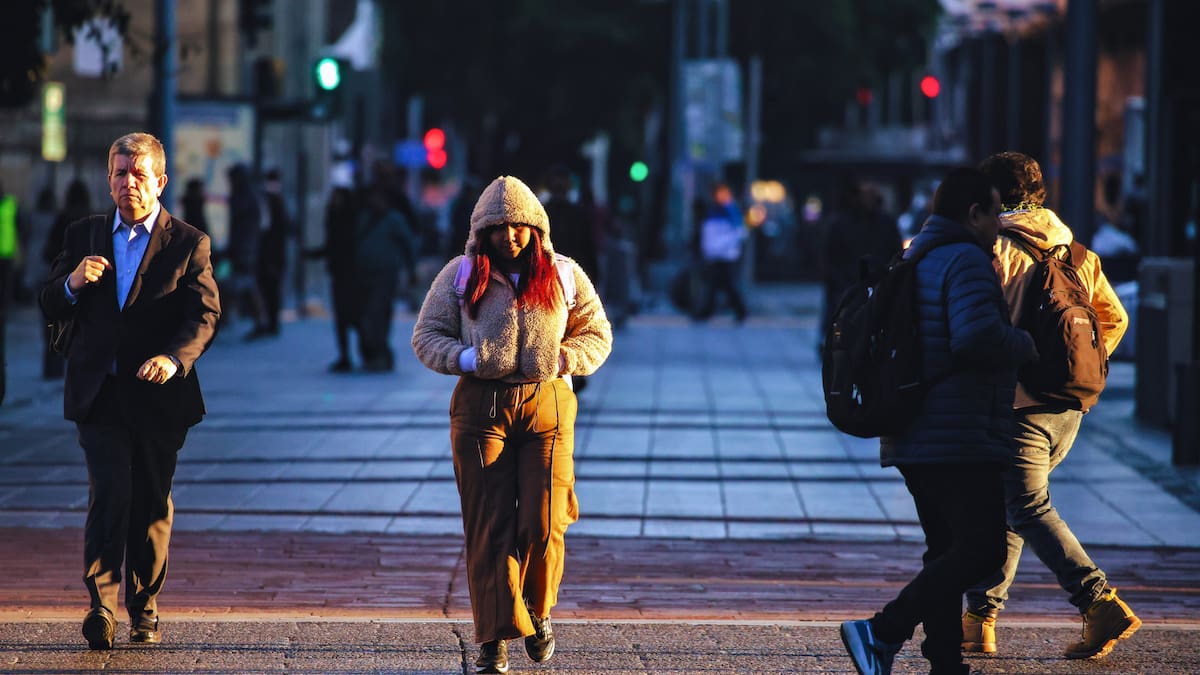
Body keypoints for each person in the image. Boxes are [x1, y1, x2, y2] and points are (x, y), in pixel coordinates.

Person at [411, 175, 612, 674]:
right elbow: (425, 336)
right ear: (481, 231)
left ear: (536, 227)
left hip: (548, 404)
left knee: (545, 523)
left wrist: (562, 358)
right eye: (498, 227)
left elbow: (598, 334)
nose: (510, 236)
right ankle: (494, 638)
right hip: (481, 408)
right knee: (490, 525)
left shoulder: (564, 273)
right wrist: (467, 358)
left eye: (519, 226)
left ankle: (538, 611)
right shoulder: (461, 274)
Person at [840, 167, 1036, 675]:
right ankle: (883, 630)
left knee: (945, 551)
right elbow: (976, 338)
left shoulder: (914, 255)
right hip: (958, 433)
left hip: (913, 429)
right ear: (973, 214)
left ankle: (946, 663)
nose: (999, 224)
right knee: (983, 548)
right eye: (994, 213)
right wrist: (1024, 343)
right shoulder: (967, 259)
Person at [39, 132, 221, 650]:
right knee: (110, 491)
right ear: (108, 179)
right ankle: (101, 605)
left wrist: (172, 359)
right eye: (119, 173)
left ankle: (144, 607)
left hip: (160, 395)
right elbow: (50, 301)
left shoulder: (188, 242)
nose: (128, 183)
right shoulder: (83, 236)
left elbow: (205, 314)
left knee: (150, 501)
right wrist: (72, 282)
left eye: (138, 174)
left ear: (160, 181)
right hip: (99, 392)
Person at [962, 152, 1137, 660]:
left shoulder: (996, 251)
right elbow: (1115, 319)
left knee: (1026, 507)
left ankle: (1098, 600)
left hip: (1019, 406)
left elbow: (978, 330)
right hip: (1067, 408)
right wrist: (1082, 369)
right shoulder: (1078, 254)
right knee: (1007, 508)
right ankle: (979, 619)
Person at [821, 177, 903, 351]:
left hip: (876, 281)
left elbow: (894, 252)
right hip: (847, 282)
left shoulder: (885, 223)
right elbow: (831, 256)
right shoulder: (841, 222)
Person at [541, 164, 598, 393]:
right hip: (554, 276)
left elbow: (588, 245)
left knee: (567, 326)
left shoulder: (573, 212)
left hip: (567, 276)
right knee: (562, 326)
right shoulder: (546, 212)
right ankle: (565, 370)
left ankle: (569, 369)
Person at [355, 180, 416, 372]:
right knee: (366, 315)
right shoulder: (363, 218)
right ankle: (372, 353)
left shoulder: (393, 220)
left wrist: (411, 269)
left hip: (385, 274)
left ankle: (381, 353)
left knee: (378, 313)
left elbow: (408, 245)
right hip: (364, 273)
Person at [41, 179, 93, 378]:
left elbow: (49, 251)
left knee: (52, 328)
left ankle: (52, 369)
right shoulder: (93, 220)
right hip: (88, 285)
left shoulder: (63, 219)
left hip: (61, 280)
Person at [694, 182, 748, 322]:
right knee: (720, 284)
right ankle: (737, 311)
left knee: (723, 284)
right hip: (716, 254)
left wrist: (724, 247)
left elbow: (739, 233)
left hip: (726, 255)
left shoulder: (731, 210)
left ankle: (736, 311)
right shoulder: (713, 210)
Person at [225, 163, 267, 339]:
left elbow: (244, 227)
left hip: (244, 249)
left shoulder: (245, 198)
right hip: (244, 247)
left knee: (244, 284)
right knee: (243, 284)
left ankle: (258, 320)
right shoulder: (247, 196)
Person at [252, 168, 290, 338]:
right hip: (273, 255)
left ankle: (270, 322)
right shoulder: (276, 202)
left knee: (270, 290)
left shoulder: (272, 203)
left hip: (270, 255)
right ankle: (271, 322)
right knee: (270, 290)